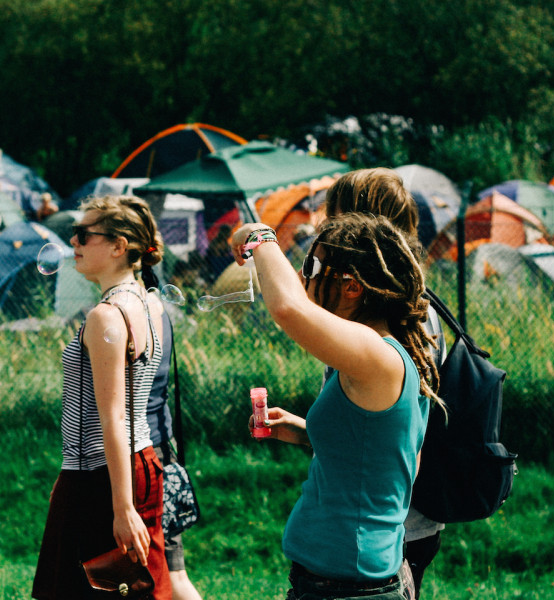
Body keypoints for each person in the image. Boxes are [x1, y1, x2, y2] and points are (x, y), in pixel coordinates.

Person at [231, 211, 442, 600]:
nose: (302, 276)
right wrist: (303, 430)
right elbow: (371, 453)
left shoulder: (376, 355)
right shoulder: (375, 355)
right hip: (336, 582)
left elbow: (289, 308)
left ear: (351, 287)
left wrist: (259, 234)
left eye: (311, 265)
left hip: (352, 588)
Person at [32, 195, 172, 600]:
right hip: (141, 464)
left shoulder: (105, 316)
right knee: (135, 590)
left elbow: (114, 417)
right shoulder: (150, 302)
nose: (72, 242)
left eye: (83, 234)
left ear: (118, 246)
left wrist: (122, 508)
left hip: (99, 474)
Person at [322, 168, 448, 599]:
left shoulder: (405, 316)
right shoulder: (382, 307)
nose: (323, 228)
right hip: (380, 521)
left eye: (333, 219)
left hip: (395, 524)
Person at [146, 306, 204, 600]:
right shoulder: (159, 309)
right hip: (163, 448)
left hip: (143, 457)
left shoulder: (124, 311)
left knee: (170, 573)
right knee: (174, 572)